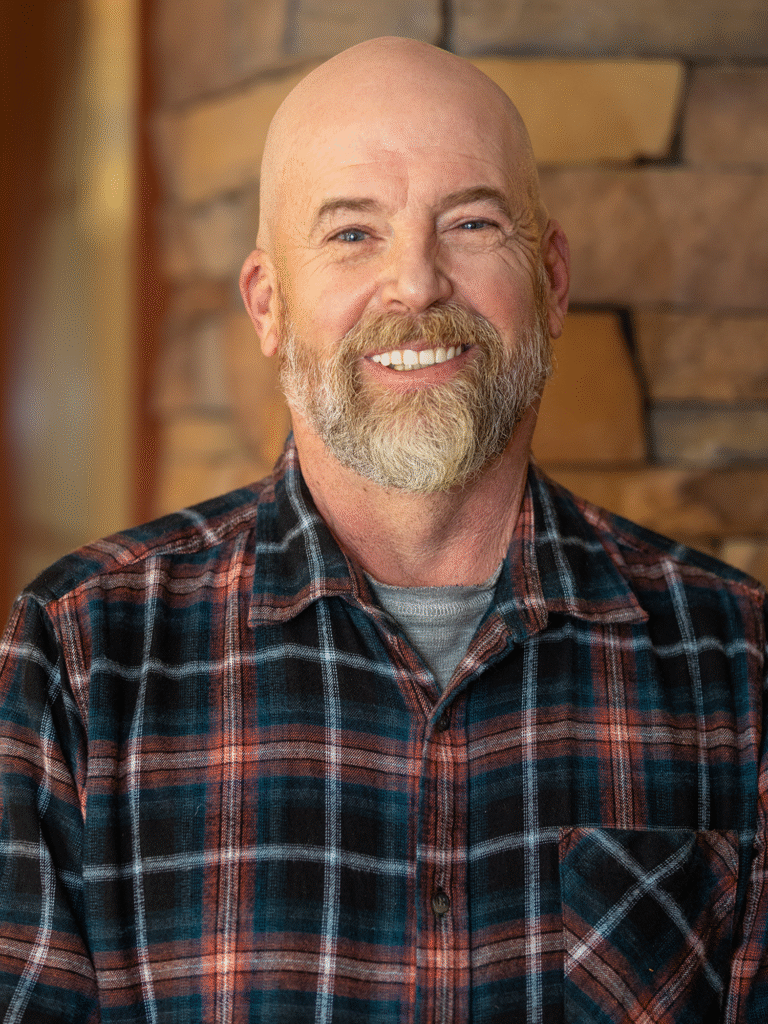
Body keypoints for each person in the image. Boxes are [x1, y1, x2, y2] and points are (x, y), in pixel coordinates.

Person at [0, 35, 766, 1024]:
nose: (416, 284)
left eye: (473, 221)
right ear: (269, 306)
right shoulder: (79, 657)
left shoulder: (737, 663)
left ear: (553, 280)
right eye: (353, 233)